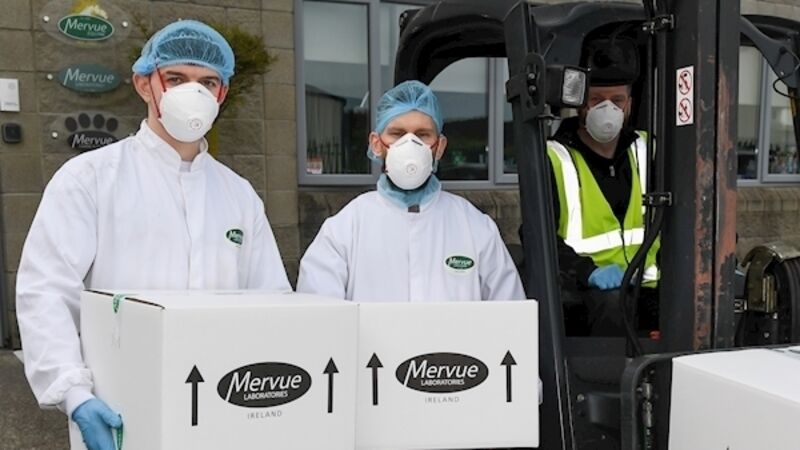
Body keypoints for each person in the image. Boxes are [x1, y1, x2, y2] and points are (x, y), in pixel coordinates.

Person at [16, 20, 291, 450]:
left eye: (207, 82)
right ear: (144, 84)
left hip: (225, 405)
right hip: (119, 405)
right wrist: (74, 393)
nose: (193, 93)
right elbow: (46, 290)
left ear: (221, 93)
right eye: (176, 79)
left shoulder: (239, 195)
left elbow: (272, 301)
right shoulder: (90, 179)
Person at [297, 80, 525, 302]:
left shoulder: (476, 228)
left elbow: (511, 314)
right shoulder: (343, 231)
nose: (410, 144)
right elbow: (319, 316)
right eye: (397, 134)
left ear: (439, 146)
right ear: (376, 144)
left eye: (423, 134)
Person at [539, 36, 660, 335]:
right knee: (610, 306)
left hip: (650, 290)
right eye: (596, 100)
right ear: (581, 105)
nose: (608, 110)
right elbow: (539, 238)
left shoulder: (649, 151)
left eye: (617, 101)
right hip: (587, 297)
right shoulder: (554, 159)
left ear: (629, 105)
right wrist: (587, 272)